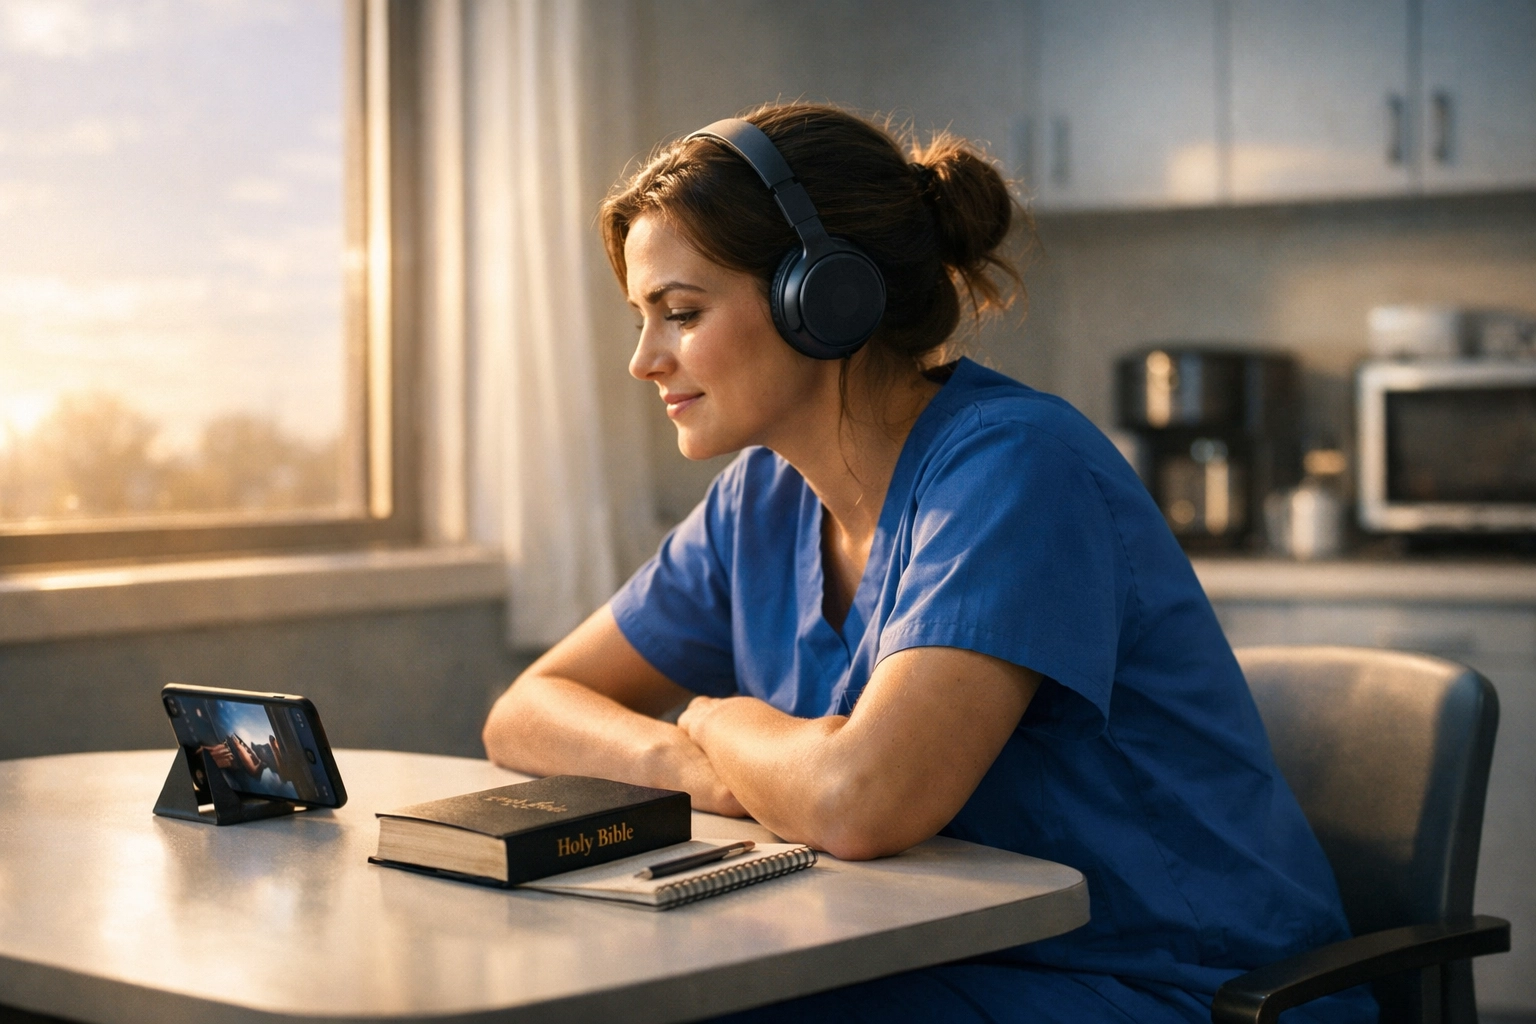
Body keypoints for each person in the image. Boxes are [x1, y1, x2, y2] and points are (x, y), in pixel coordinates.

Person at [481, 102, 1375, 1023]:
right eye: (642, 318)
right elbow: (527, 713)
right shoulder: (760, 501)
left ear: (821, 296)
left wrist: (718, 715)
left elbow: (858, 802)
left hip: (1166, 986)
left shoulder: (1016, 468)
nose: (643, 360)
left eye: (680, 312)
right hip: (942, 962)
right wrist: (694, 760)